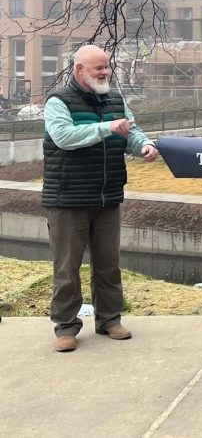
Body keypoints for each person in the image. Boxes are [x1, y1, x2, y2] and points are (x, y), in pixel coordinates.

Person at [42, 45, 160, 353]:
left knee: (108, 264)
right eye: (99, 68)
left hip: (107, 197)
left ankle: (109, 319)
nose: (105, 72)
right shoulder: (58, 102)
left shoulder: (115, 100)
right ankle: (66, 327)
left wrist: (144, 146)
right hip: (67, 199)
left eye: (107, 67)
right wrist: (107, 128)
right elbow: (64, 138)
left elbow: (131, 132)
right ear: (79, 70)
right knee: (67, 267)